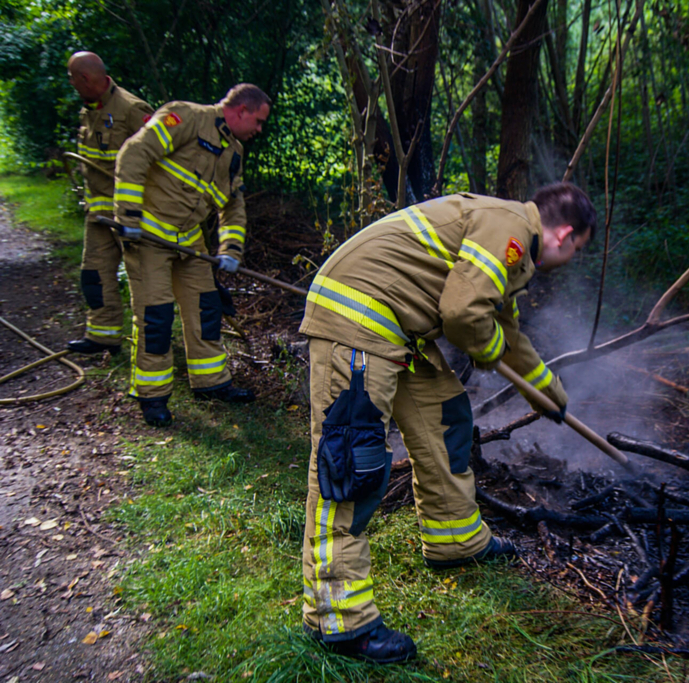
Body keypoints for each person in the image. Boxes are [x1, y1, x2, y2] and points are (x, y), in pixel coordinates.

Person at [298, 183, 596, 663]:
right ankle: (339, 618)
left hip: (399, 326)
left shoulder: (511, 248)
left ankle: (454, 539)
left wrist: (549, 396)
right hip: (359, 316)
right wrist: (490, 349)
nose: (572, 258)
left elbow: (508, 333)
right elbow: (462, 316)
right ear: (564, 234)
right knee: (350, 466)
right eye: (577, 249)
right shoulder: (510, 229)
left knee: (446, 416)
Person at [112, 83, 270, 427]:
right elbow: (133, 154)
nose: (259, 130)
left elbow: (233, 207)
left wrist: (230, 249)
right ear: (241, 109)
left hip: (189, 242)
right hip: (150, 237)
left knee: (206, 309)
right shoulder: (185, 117)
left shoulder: (234, 152)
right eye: (257, 121)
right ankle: (152, 395)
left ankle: (211, 383)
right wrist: (128, 216)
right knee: (155, 317)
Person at [65, 52, 154, 356]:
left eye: (72, 78)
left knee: (145, 283)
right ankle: (103, 335)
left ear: (86, 79)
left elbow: (157, 164)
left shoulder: (132, 110)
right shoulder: (90, 110)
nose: (71, 84)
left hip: (130, 215)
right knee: (94, 275)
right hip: (98, 215)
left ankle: (151, 345)